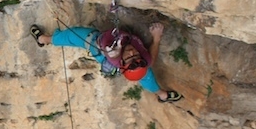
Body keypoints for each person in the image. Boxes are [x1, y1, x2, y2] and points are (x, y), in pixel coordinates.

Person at [29, 22, 183, 103]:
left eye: (130, 57)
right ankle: (162, 95)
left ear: (122, 62)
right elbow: (151, 58)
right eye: (136, 56)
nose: (132, 52)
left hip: (100, 46)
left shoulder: (113, 55)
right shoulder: (144, 60)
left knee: (73, 35)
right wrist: (156, 38)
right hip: (114, 52)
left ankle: (43, 39)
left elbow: (113, 54)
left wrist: (113, 51)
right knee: (145, 74)